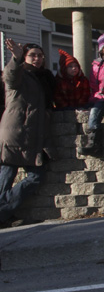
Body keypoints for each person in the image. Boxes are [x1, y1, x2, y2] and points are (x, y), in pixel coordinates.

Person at [0, 40, 56, 226]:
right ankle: (4, 213)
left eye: (40, 55)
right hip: (15, 132)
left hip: (33, 135)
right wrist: (15, 58)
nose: (37, 59)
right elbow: (10, 75)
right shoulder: (20, 75)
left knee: (35, 176)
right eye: (32, 55)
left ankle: (4, 213)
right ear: (25, 57)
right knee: (7, 175)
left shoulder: (44, 77)